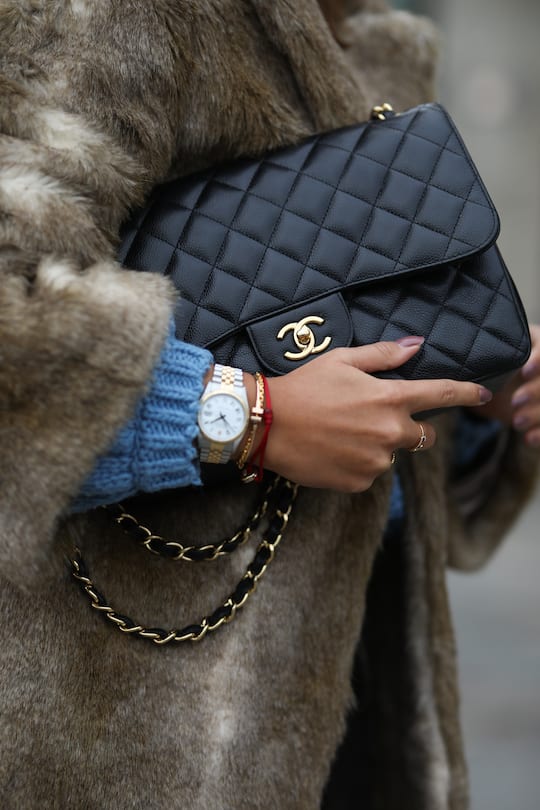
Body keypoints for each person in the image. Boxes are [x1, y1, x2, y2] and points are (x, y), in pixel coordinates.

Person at [0, 1, 538, 808]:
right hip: (141, 739)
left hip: (361, 701)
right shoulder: (104, 15)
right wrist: (247, 417)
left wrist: (482, 393)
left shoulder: (376, 43)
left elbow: (370, 421)